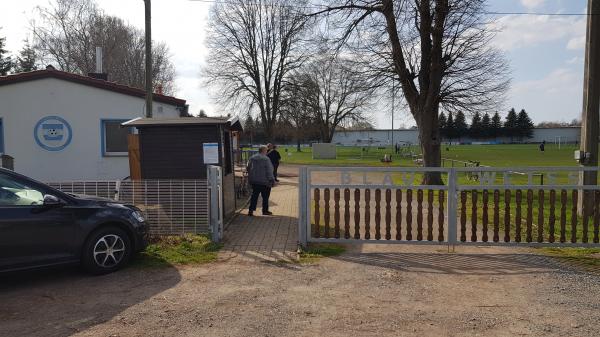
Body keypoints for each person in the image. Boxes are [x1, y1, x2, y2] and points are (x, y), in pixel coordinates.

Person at [247, 145, 275, 216]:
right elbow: (269, 170)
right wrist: (272, 179)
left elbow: (248, 167)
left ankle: (251, 210)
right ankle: (265, 211)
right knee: (265, 197)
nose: (267, 151)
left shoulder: (252, 158)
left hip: (255, 181)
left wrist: (251, 177)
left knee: (254, 196)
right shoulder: (266, 159)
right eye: (266, 150)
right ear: (264, 151)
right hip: (265, 182)